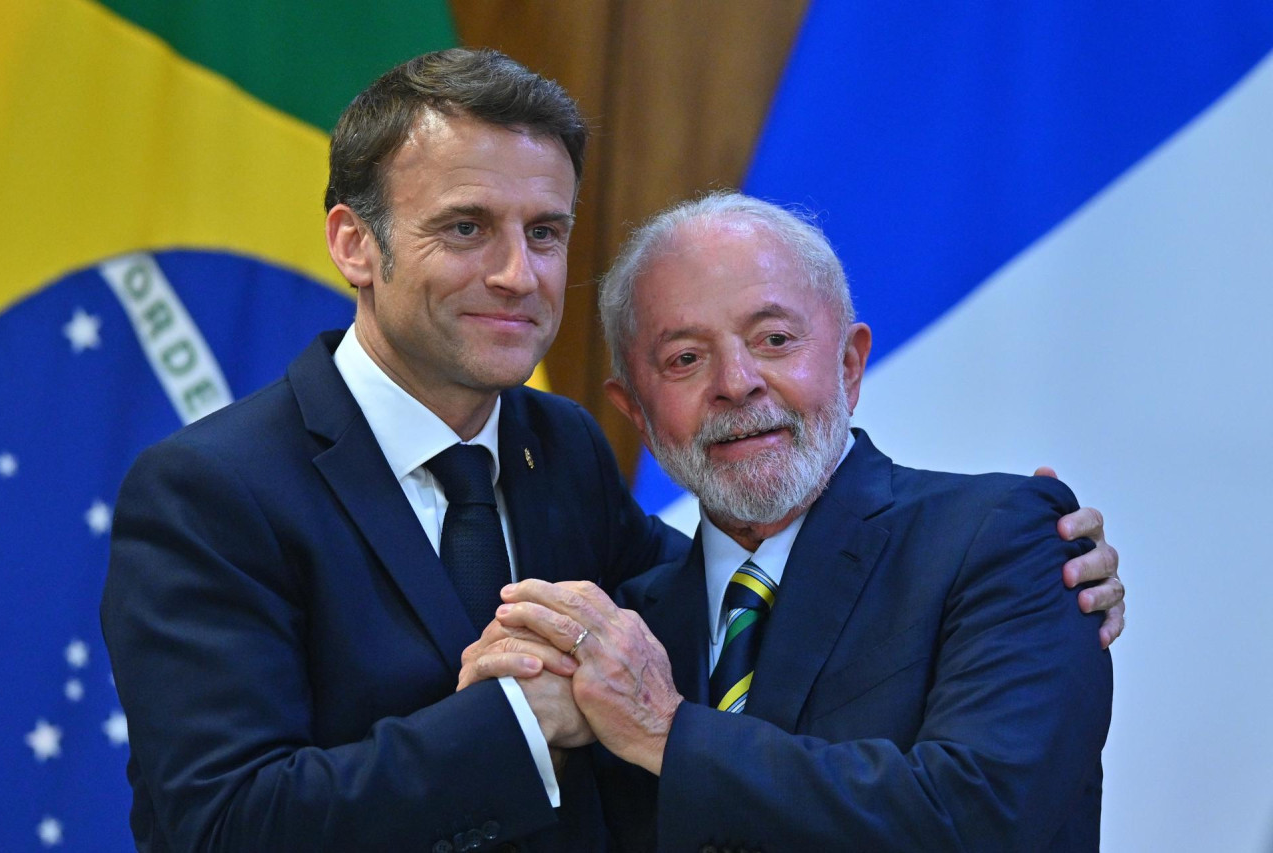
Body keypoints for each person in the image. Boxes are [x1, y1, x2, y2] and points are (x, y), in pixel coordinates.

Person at [101, 50, 1121, 851]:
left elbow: (739, 575)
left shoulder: (561, 451)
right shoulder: (207, 490)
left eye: (544, 232)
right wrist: (514, 724)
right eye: (465, 227)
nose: (515, 272)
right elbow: (219, 829)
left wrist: (1027, 565)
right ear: (353, 244)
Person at [466, 192, 1114, 851]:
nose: (737, 381)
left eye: (774, 340)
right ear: (636, 412)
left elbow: (983, 820)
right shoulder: (622, 633)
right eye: (685, 358)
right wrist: (506, 741)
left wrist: (666, 732)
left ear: (849, 365)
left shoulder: (1009, 541)